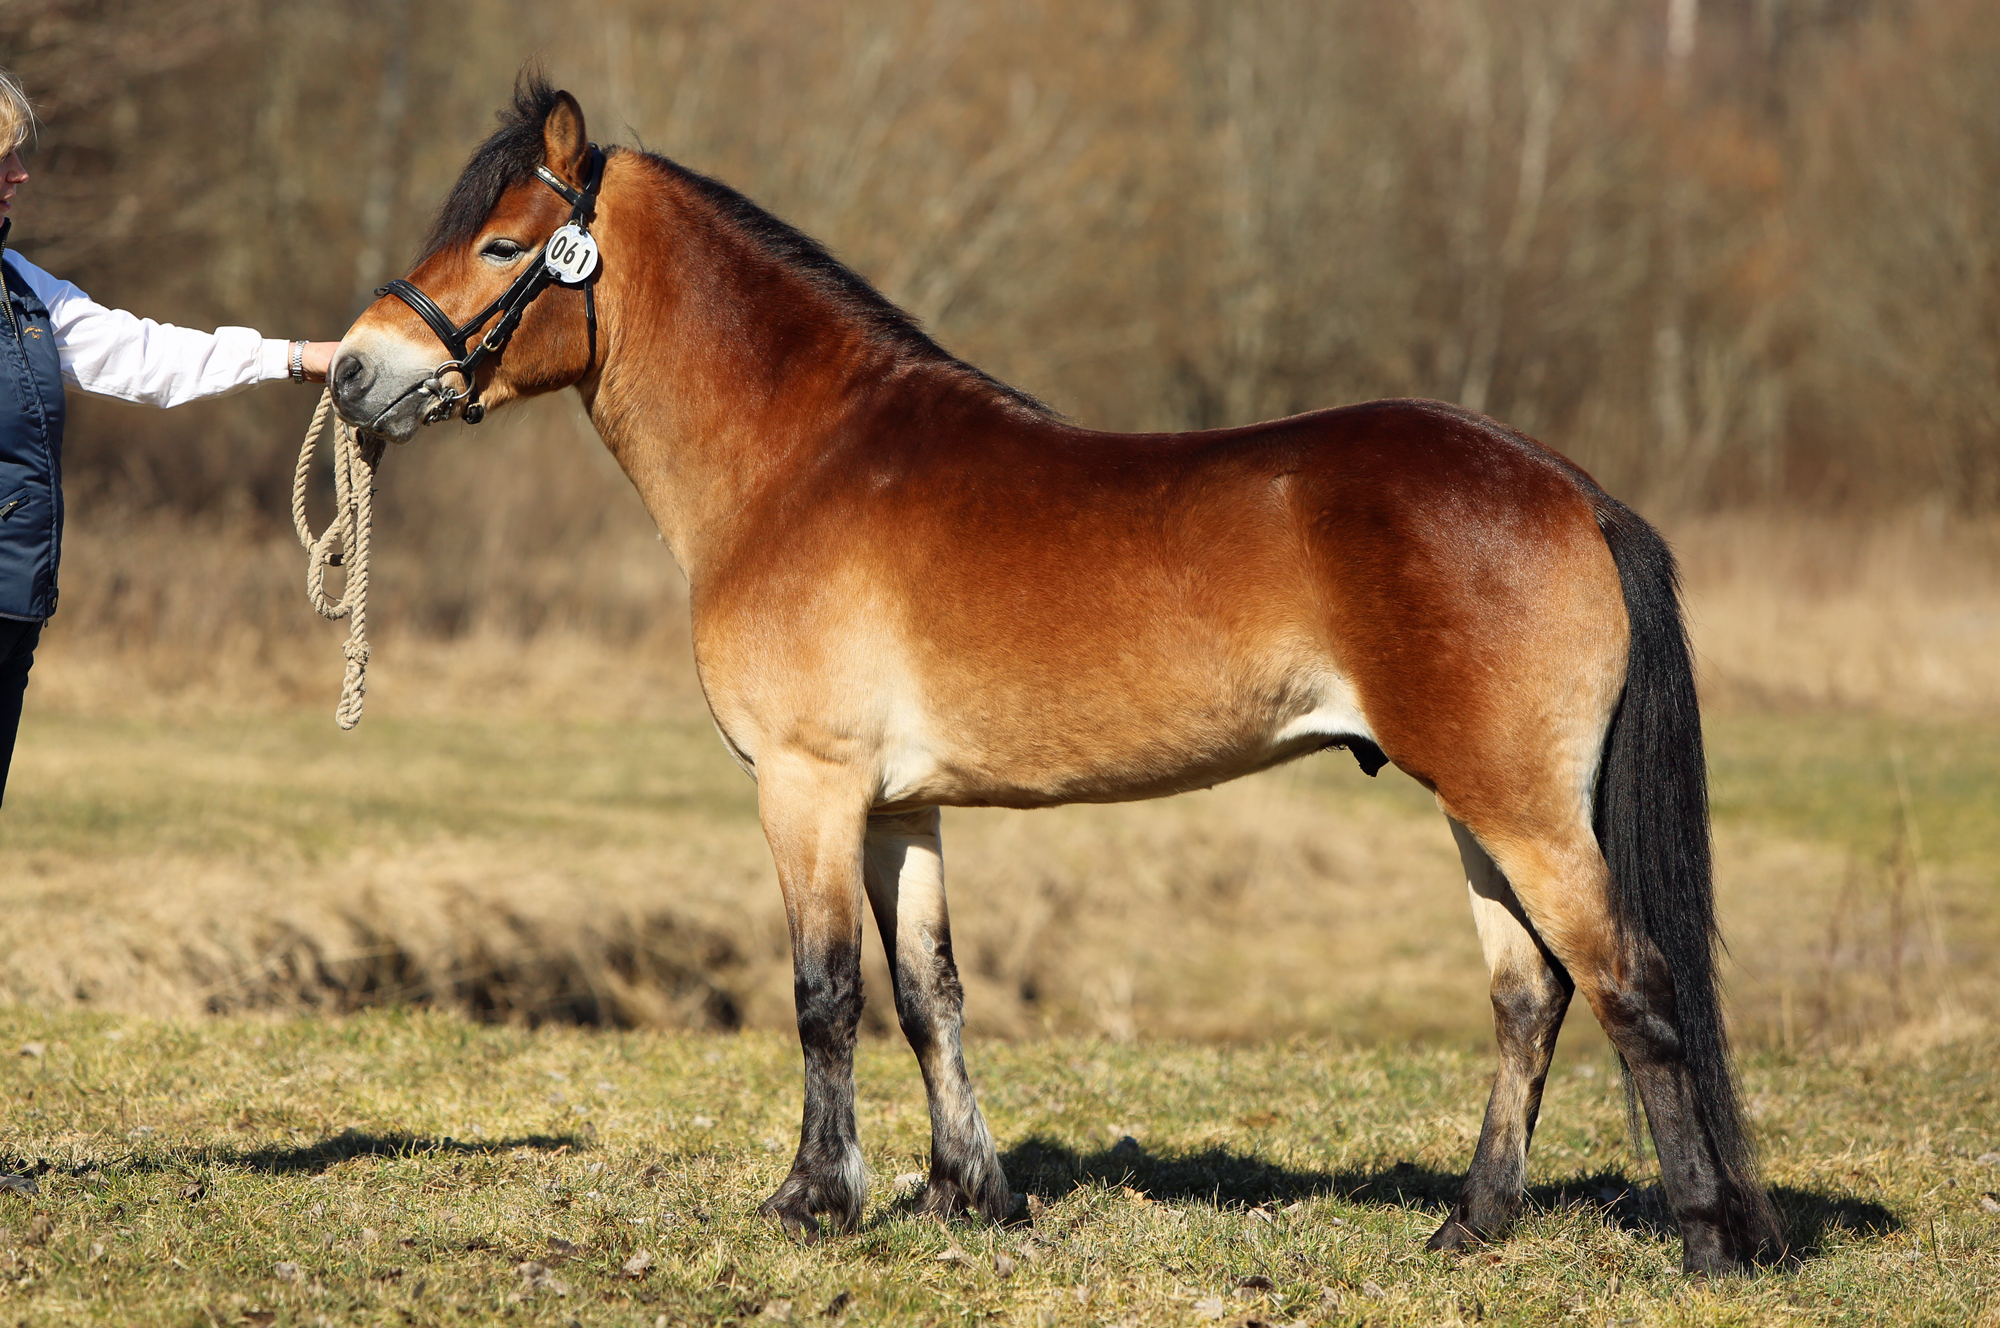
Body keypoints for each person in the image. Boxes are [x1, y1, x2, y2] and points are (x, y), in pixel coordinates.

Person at [0, 68, 339, 805]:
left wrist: (293, 357)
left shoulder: (23, 292)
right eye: (2, 160)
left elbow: (146, 357)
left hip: (12, 609)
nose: (20, 175)